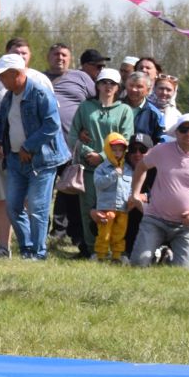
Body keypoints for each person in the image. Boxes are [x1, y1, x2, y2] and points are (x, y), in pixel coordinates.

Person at [0, 53, 70, 260]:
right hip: (15, 159)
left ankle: (38, 253)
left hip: (41, 161)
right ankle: (27, 249)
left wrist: (28, 146)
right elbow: (0, 121)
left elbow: (52, 125)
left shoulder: (41, 94)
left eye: (3, 76)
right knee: (13, 207)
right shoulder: (9, 96)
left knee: (37, 207)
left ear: (16, 74)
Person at [130, 114, 189, 268]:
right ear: (176, 133)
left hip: (187, 226)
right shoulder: (161, 150)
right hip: (155, 219)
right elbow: (141, 166)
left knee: (184, 272)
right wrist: (135, 193)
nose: (188, 133)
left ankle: (165, 257)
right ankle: (157, 256)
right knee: (138, 264)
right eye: (183, 129)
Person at [69, 68, 135, 257]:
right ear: (97, 85)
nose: (108, 86)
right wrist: (87, 152)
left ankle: (113, 251)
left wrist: (103, 156)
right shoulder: (85, 107)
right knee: (89, 210)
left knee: (114, 211)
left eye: (112, 83)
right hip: (88, 169)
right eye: (104, 82)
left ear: (118, 87)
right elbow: (73, 135)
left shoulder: (124, 110)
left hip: (114, 171)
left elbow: (127, 139)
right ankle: (92, 250)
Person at [47, 46, 102, 255]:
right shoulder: (38, 78)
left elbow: (96, 103)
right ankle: (41, 241)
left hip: (73, 148)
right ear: (48, 57)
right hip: (45, 149)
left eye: (64, 55)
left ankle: (81, 240)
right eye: (55, 54)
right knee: (42, 197)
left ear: (70, 59)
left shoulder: (81, 77)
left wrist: (87, 127)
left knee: (75, 195)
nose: (59, 58)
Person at [0, 37, 37, 256]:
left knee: (30, 200)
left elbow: (46, 119)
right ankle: (3, 247)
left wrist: (32, 146)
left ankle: (32, 247)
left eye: (24, 53)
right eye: (16, 52)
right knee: (3, 199)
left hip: (30, 152)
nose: (20, 56)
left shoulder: (39, 81)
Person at [89, 132, 134, 263]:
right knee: (104, 233)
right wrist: (113, 175)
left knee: (119, 234)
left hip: (123, 208)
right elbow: (98, 184)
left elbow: (130, 186)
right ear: (107, 150)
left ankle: (117, 255)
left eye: (120, 150)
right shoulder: (101, 168)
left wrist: (131, 199)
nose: (117, 153)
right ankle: (100, 255)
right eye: (114, 150)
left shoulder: (128, 168)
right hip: (106, 207)